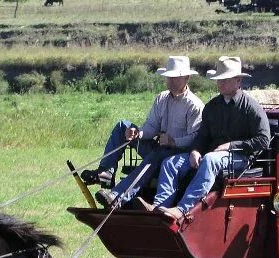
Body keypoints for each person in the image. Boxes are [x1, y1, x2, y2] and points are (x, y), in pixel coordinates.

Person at [150, 56, 271, 221]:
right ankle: (158, 208)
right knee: (170, 163)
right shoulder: (212, 107)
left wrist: (231, 145)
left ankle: (181, 209)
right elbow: (203, 136)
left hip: (240, 157)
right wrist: (195, 150)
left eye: (225, 80)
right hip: (211, 153)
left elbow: (263, 139)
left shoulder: (251, 107)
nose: (220, 83)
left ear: (238, 81)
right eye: (219, 80)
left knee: (210, 160)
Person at [83, 56, 203, 208]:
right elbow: (151, 126)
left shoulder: (195, 105)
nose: (170, 81)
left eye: (175, 77)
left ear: (186, 78)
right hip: (159, 149)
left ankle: (117, 196)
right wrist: (138, 133)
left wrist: (173, 141)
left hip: (179, 156)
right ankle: (106, 172)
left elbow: (195, 140)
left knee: (158, 154)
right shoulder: (162, 98)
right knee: (123, 126)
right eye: (168, 77)